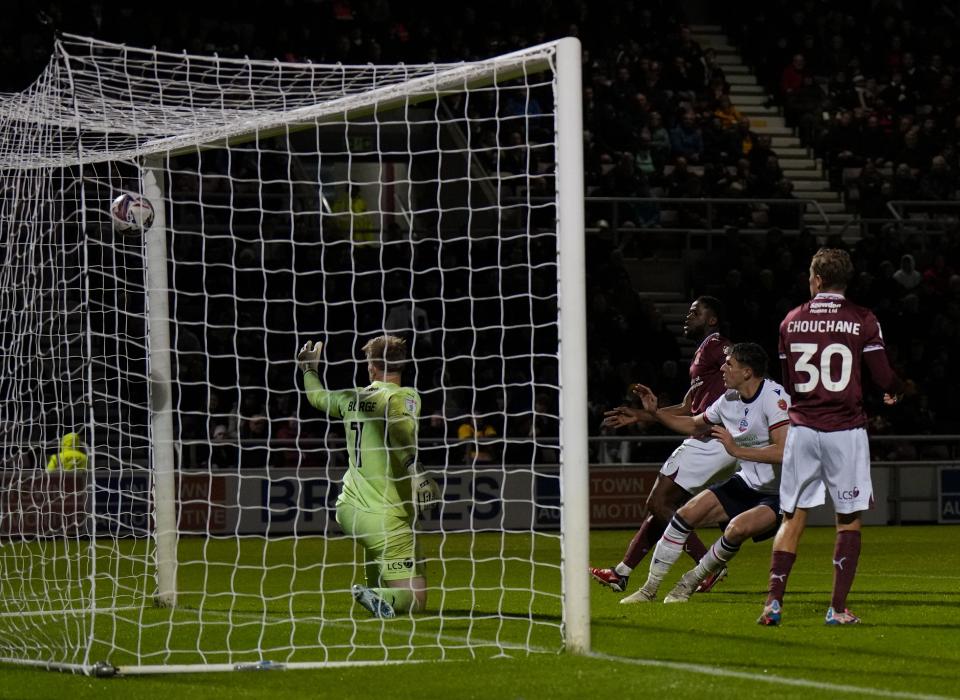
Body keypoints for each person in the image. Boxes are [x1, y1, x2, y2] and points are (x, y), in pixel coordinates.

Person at [758, 248, 904, 627]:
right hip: (845, 429)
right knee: (848, 519)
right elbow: (882, 374)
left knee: (792, 517)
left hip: (803, 429)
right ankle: (837, 609)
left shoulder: (790, 321)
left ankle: (773, 603)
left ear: (818, 279)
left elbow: (790, 383)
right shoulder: (862, 319)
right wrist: (895, 389)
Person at [589, 297, 736, 595]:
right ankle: (622, 572)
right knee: (663, 507)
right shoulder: (701, 355)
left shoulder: (717, 344)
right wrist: (642, 415)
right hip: (712, 438)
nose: (687, 316)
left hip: (709, 438)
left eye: (696, 312)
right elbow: (686, 406)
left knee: (659, 504)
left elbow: (741, 367)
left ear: (712, 320)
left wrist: (746, 407)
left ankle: (709, 566)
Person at [624, 343, 790, 603]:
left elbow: (783, 451)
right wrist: (653, 413)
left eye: (729, 364)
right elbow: (692, 423)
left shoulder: (775, 397)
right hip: (747, 482)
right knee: (684, 515)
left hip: (780, 492)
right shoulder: (729, 399)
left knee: (735, 530)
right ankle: (648, 590)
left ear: (747, 372)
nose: (722, 368)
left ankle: (687, 584)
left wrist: (736, 450)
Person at [297, 334, 441, 619]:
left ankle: (375, 591)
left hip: (349, 510)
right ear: (403, 363)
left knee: (385, 560)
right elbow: (401, 436)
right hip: (386, 517)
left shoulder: (352, 398)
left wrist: (309, 370)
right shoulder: (403, 396)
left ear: (371, 366)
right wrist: (417, 472)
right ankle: (376, 595)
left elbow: (316, 397)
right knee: (414, 600)